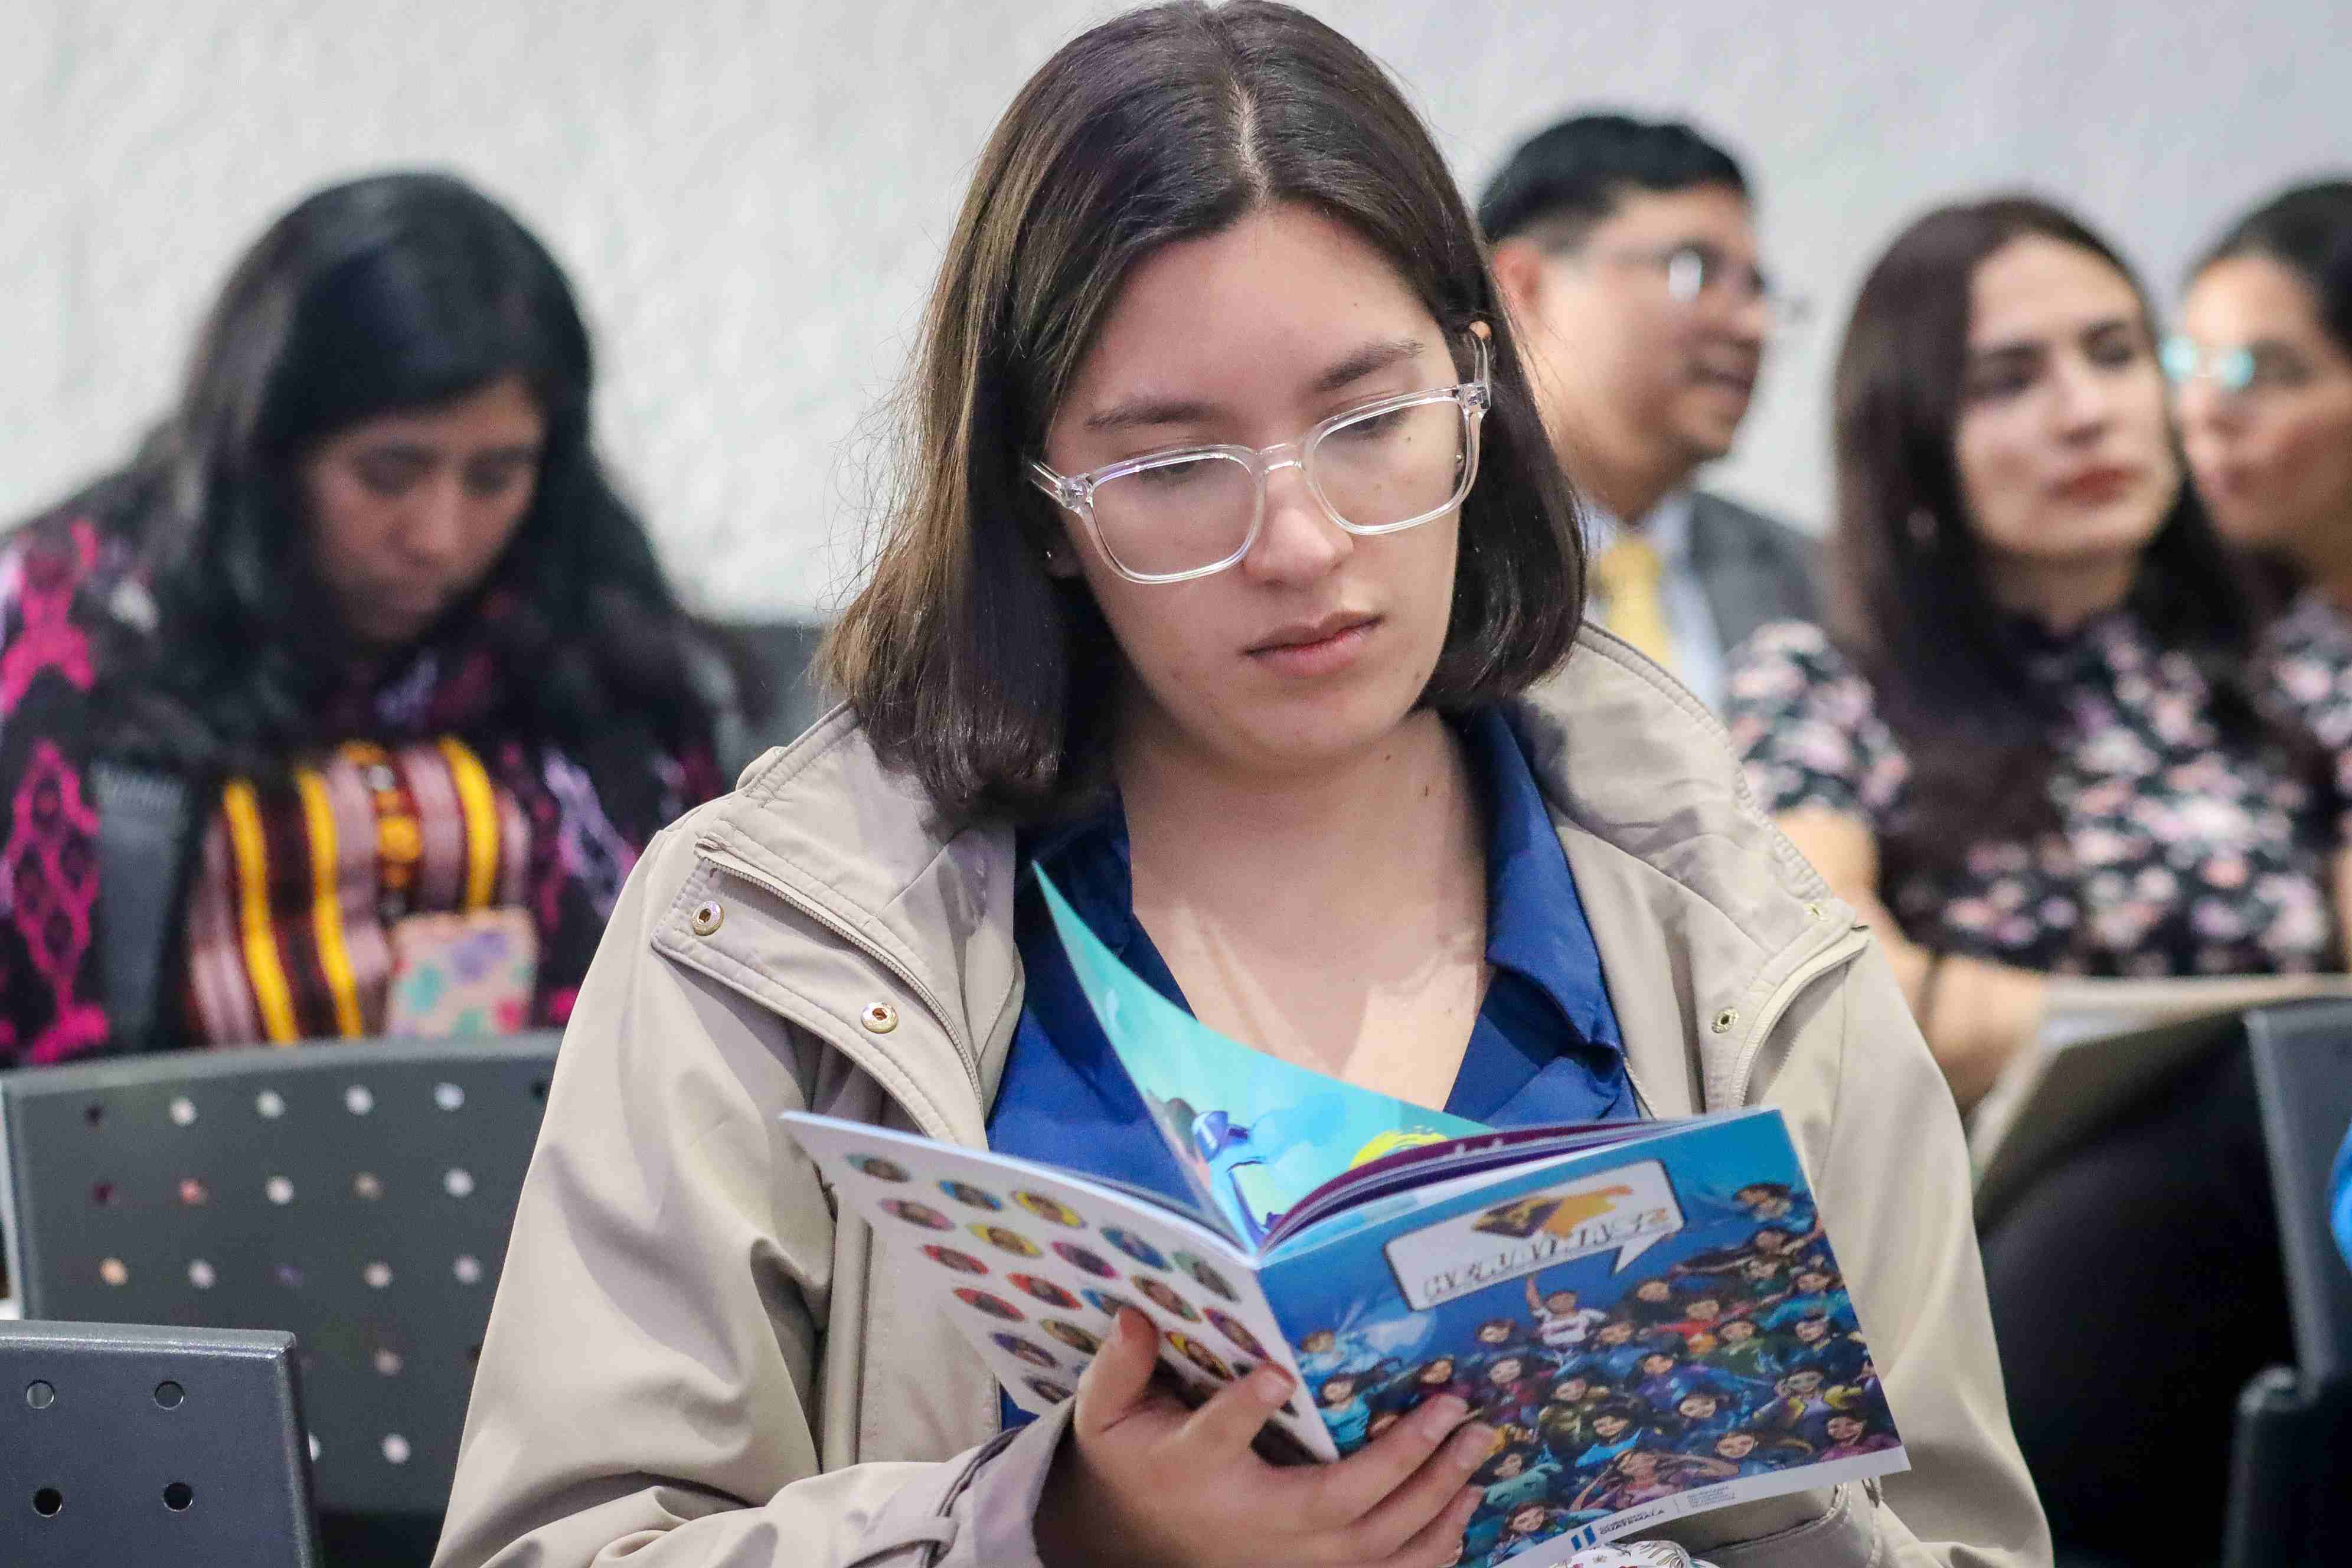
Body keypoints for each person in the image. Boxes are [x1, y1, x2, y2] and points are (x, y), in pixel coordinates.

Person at [433, 6, 2046, 1567]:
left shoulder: (1745, 939)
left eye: (1372, 420)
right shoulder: (778, 935)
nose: (1302, 543)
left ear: (1476, 392)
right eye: (1171, 464)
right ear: (1041, 501)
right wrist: (1049, 1531)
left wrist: (1743, 1494)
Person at [1724, 194, 2340, 1561]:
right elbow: (1854, 1003)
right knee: (2243, 1104)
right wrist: (2248, 1027)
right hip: (1987, 1241)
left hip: (2298, 1234)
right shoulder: (1822, 679)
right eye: (2010, 379)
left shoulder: (2296, 669)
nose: (2086, 411)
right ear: (1914, 438)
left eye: (2117, 355)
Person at [0, 171, 720, 1063]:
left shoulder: (598, 653)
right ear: (271, 450)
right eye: (388, 474)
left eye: (495, 477)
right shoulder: (68, 645)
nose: (439, 538)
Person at [1476, 113, 1819, 713]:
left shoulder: (1821, 583)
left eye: (1755, 288)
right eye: (1696, 271)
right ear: (1523, 287)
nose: (1752, 325)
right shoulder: (1438, 565)